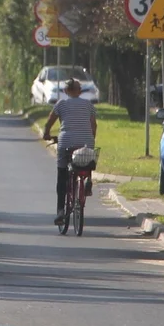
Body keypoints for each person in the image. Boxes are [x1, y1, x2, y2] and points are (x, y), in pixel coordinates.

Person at [42, 78, 97, 224]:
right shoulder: (88, 105)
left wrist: (46, 134)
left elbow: (50, 122)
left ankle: (61, 211)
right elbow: (93, 126)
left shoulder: (61, 104)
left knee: (62, 174)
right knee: (86, 160)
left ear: (66, 91)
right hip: (86, 141)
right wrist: (91, 140)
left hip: (66, 141)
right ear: (79, 91)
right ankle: (88, 181)